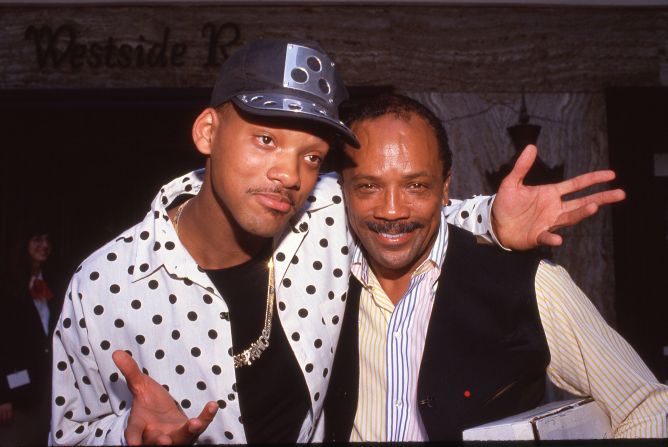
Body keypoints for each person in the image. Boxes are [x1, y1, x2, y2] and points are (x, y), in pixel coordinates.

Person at [50, 39, 626, 446]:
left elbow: (402, 211)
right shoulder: (104, 285)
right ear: (207, 131)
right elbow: (68, 433)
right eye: (265, 138)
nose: (288, 174)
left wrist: (494, 222)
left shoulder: (324, 216)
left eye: (311, 156)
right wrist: (123, 437)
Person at [323, 94, 668, 442]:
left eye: (416, 185)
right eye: (368, 186)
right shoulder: (321, 286)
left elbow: (648, 409)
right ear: (343, 191)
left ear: (445, 187)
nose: (392, 210)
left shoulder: (529, 285)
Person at [0, 223, 64, 445]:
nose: (45, 246)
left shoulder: (53, 283)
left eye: (47, 240)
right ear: (24, 245)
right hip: (15, 392)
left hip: (46, 386)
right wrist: (3, 396)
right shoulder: (7, 288)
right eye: (37, 240)